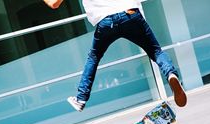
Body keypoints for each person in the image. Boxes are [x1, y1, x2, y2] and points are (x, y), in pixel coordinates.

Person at [43, 0, 187, 112]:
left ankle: (81, 99)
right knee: (156, 52)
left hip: (106, 22)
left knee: (94, 57)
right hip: (130, 14)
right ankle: (171, 75)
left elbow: (53, 4)